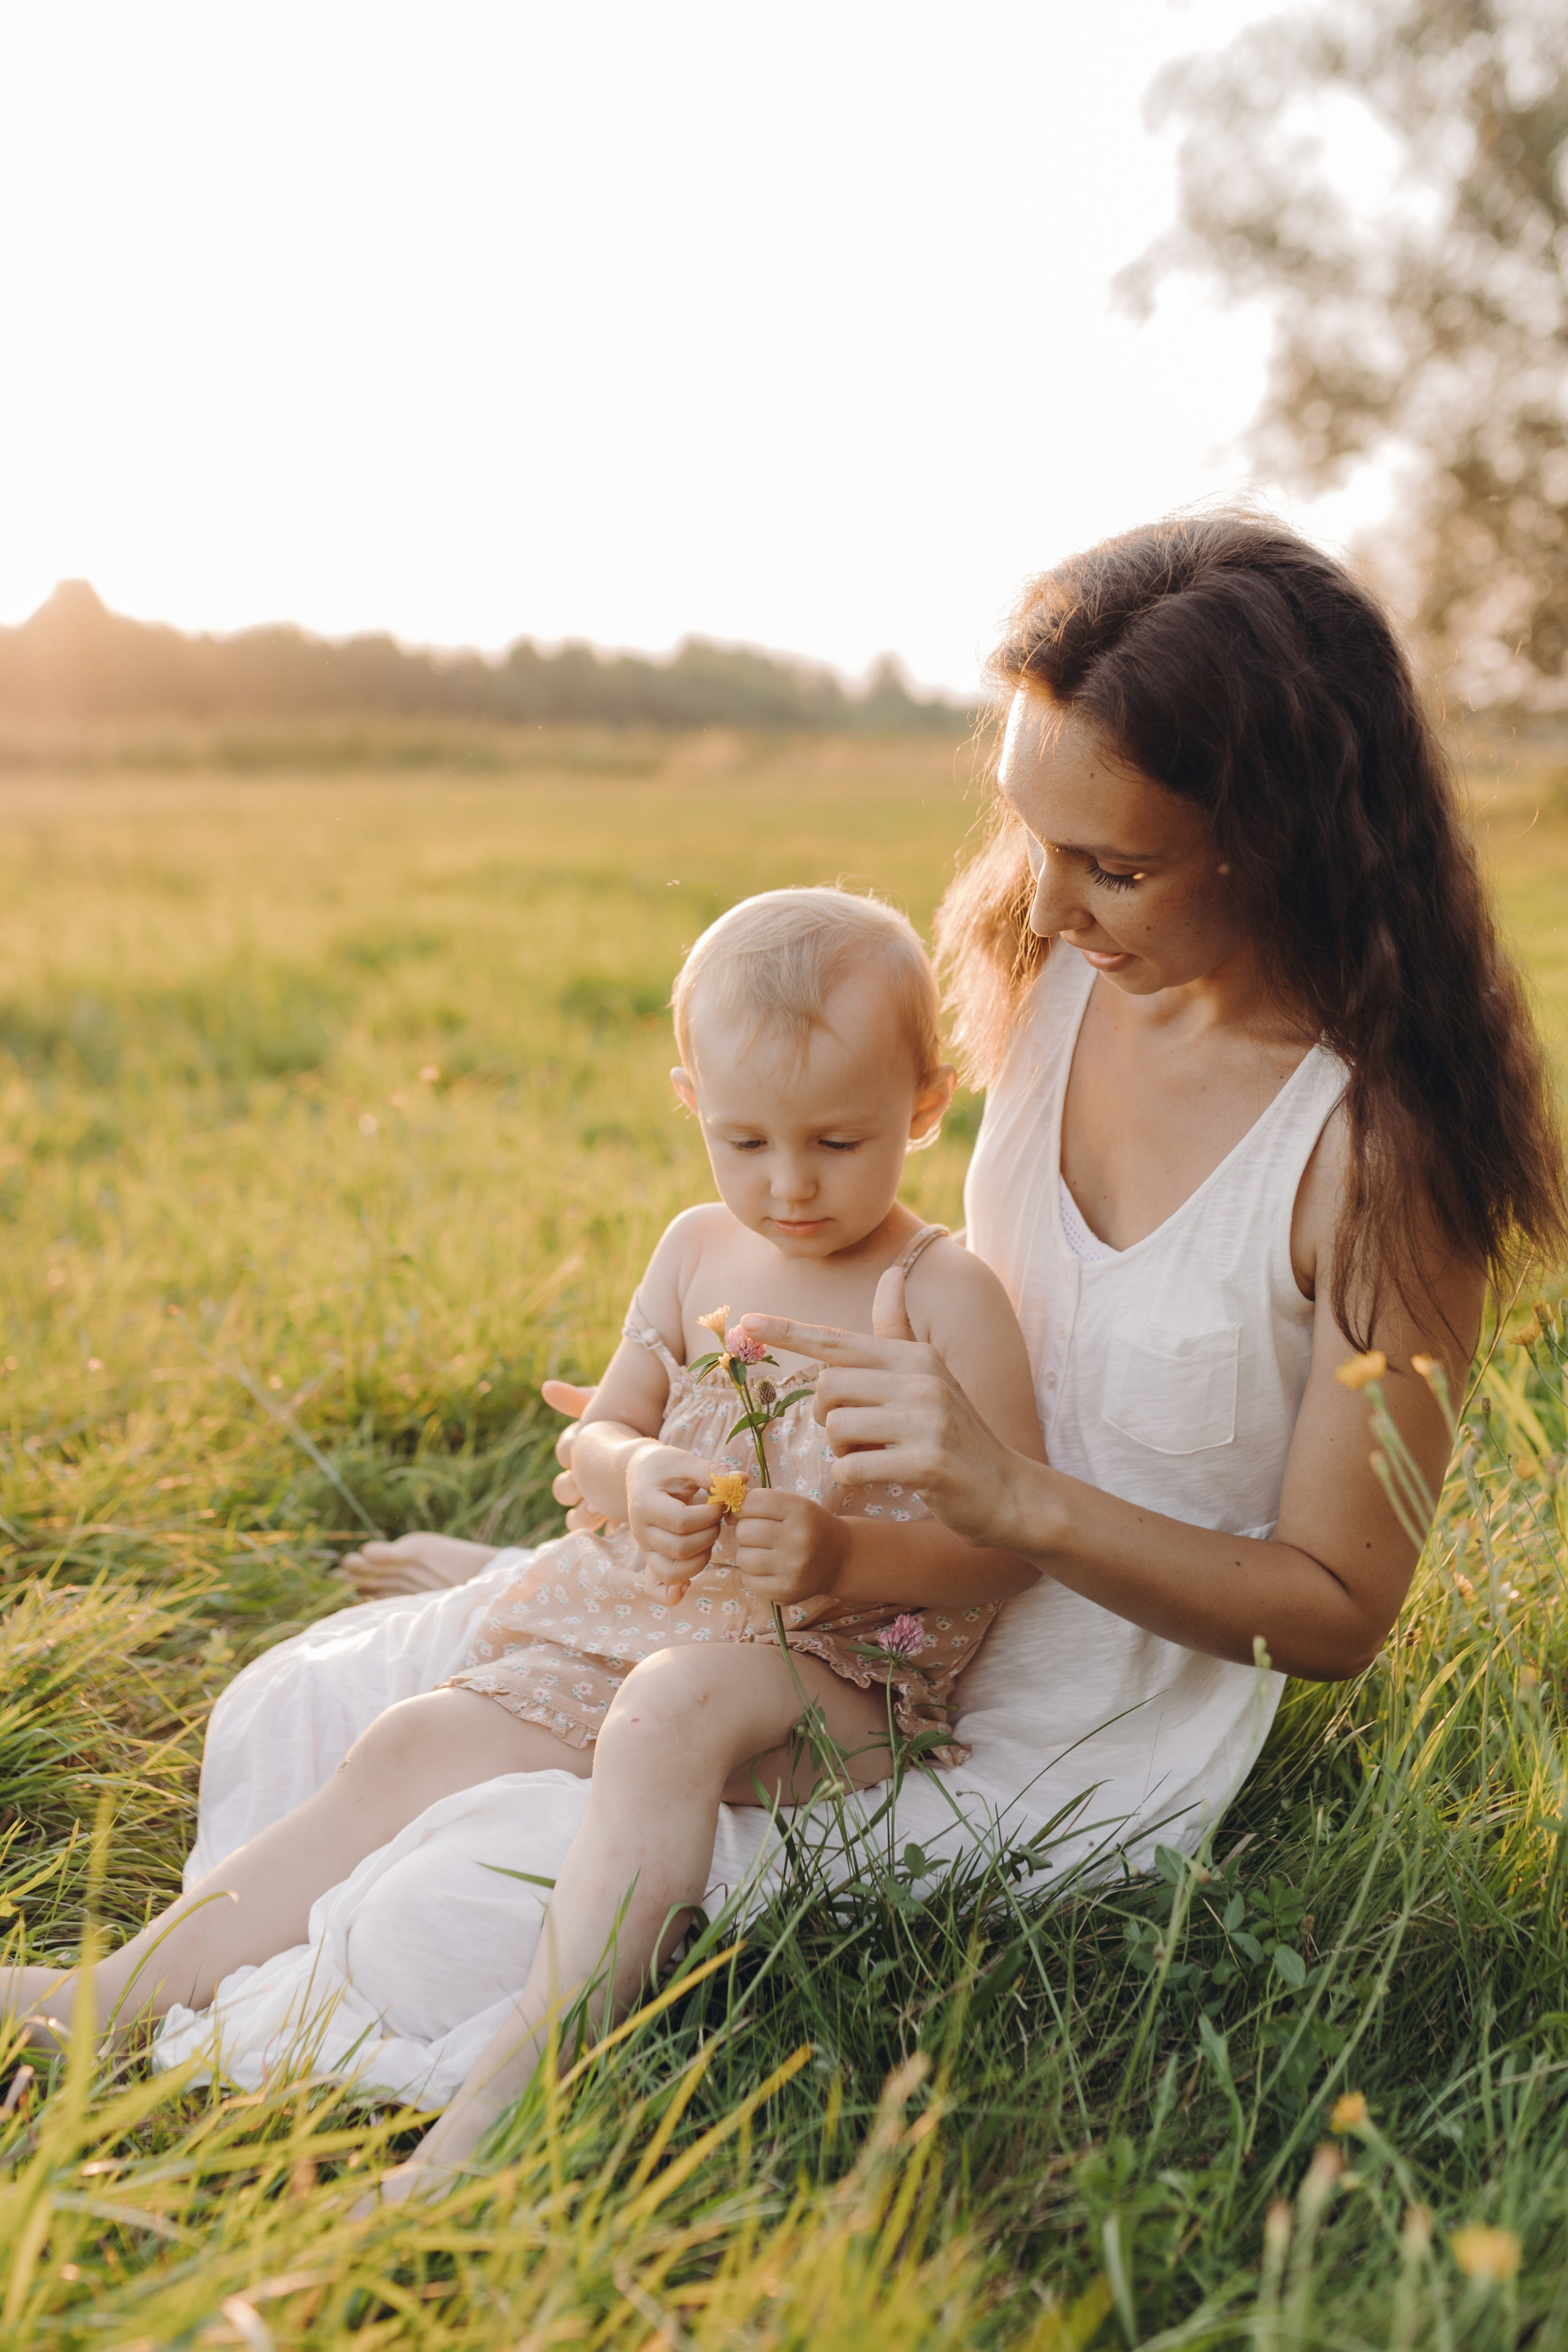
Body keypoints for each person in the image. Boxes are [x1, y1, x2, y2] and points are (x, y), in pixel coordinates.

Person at [47, 511, 1566, 2204]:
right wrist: (699, 1498)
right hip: (853, 1582)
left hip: (1061, 1704)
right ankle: (108, 2004)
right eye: (1030, 832)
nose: (1044, 905)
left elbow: (1340, 1614)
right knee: (336, 1710)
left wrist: (1021, 1503)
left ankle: (499, 2125)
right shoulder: (1065, 970)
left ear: (1285, 839)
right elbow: (853, 1249)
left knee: (453, 1895)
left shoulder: (1378, 1156)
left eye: (1113, 866)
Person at [5, 889, 1044, 2192]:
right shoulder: (693, 1253)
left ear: (925, 1102)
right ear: (688, 1103)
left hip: (837, 1671)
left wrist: (844, 1558)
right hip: (653, 1619)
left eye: (838, 1141)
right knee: (412, 1739)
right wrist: (646, 1468)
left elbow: (1010, 1542)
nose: (789, 1184)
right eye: (745, 1139)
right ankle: (116, 1992)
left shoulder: (944, 1294)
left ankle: (523, 2085)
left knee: (671, 1709)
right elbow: (597, 1441)